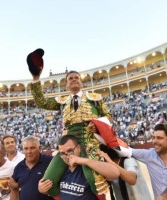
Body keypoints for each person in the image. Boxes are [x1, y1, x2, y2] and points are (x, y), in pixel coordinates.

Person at [30, 68, 113, 196]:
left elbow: (108, 116)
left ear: (81, 82)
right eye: (70, 78)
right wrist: (36, 78)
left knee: (95, 182)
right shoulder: (62, 101)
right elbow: (41, 102)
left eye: (76, 78)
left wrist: (97, 126)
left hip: (89, 142)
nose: (74, 79)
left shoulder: (94, 99)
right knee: (47, 183)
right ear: (67, 85)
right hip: (67, 145)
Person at [38, 135, 120, 200]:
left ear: (78, 148)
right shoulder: (61, 171)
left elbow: (115, 173)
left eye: (70, 150)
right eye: (62, 153)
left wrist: (84, 161)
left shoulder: (89, 168)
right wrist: (42, 189)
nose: (67, 156)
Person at [131, 123, 167, 199]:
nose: (154, 141)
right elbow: (126, 151)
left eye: (159, 138)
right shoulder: (149, 155)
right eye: (154, 137)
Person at [10, 136, 53, 200]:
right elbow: (13, 188)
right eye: (26, 148)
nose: (29, 151)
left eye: (32, 148)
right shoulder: (19, 167)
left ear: (39, 148)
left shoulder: (50, 161)